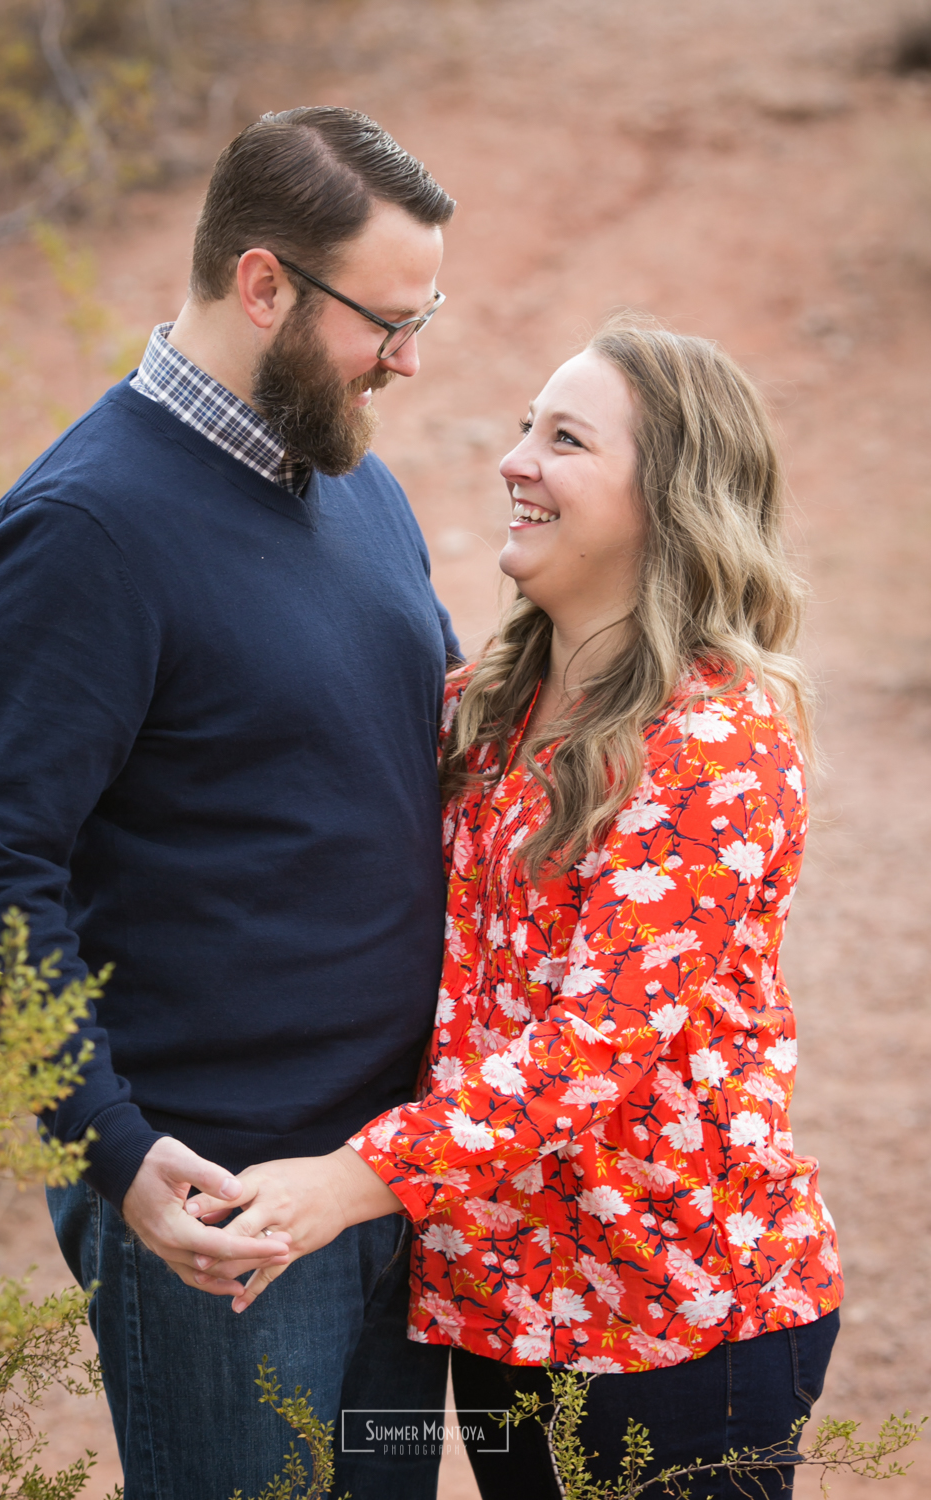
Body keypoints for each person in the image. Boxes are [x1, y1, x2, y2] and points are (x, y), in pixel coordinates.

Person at [188, 317, 844, 1499]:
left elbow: (591, 1052)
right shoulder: (488, 710)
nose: (515, 460)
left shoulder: (718, 740)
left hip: (676, 1316)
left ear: (669, 500)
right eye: (523, 429)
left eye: (565, 439)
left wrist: (345, 1182)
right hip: (504, 1306)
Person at [0, 107, 458, 1500]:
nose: (410, 360)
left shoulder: (353, 480)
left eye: (428, 315)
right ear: (265, 282)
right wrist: (116, 1152)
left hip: (389, 1177)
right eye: (387, 321)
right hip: (221, 1216)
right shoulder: (83, 534)